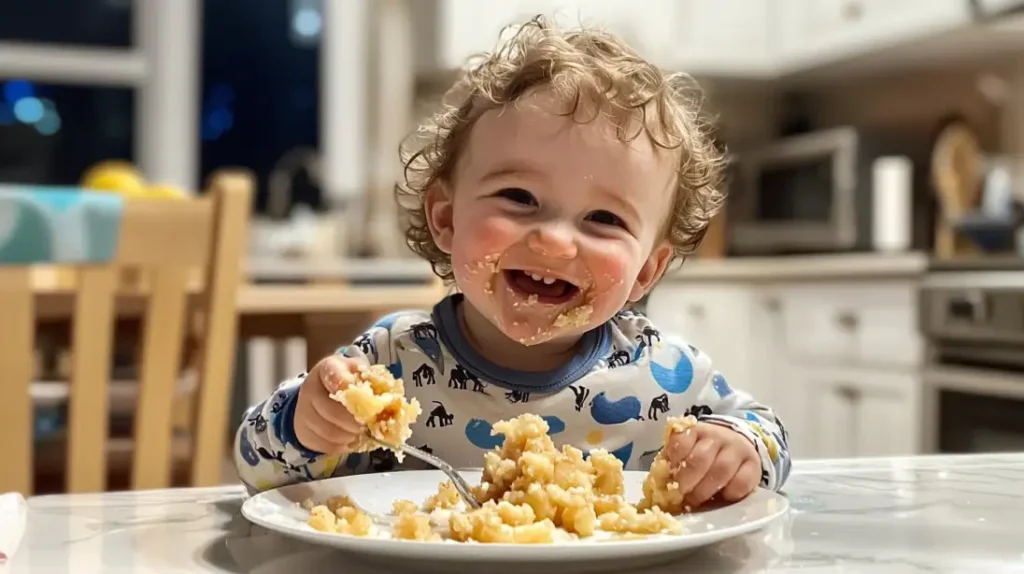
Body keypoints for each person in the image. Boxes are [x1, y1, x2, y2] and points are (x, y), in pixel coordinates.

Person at [236, 16, 791, 509]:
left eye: (604, 219)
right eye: (519, 199)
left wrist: (738, 448)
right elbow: (259, 470)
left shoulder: (669, 376)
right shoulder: (391, 362)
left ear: (646, 270)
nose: (553, 241)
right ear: (447, 220)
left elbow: (769, 437)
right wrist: (306, 425)